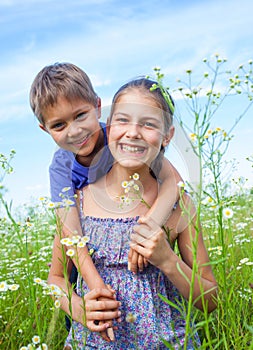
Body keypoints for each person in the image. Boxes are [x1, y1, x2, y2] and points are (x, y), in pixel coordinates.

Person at [48, 77, 217, 349]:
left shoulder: (178, 206)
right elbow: (55, 279)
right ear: (108, 126)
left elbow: (212, 301)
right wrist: (79, 308)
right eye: (123, 120)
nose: (133, 132)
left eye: (149, 123)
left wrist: (168, 260)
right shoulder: (77, 202)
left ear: (167, 136)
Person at [29, 63, 182, 338]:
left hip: (130, 224)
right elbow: (70, 231)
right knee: (81, 301)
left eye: (80, 115)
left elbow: (174, 180)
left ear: (98, 108)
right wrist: (96, 287)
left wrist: (150, 224)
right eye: (59, 125)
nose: (75, 131)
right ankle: (79, 331)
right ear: (45, 129)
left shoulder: (119, 137)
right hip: (86, 242)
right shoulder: (61, 168)